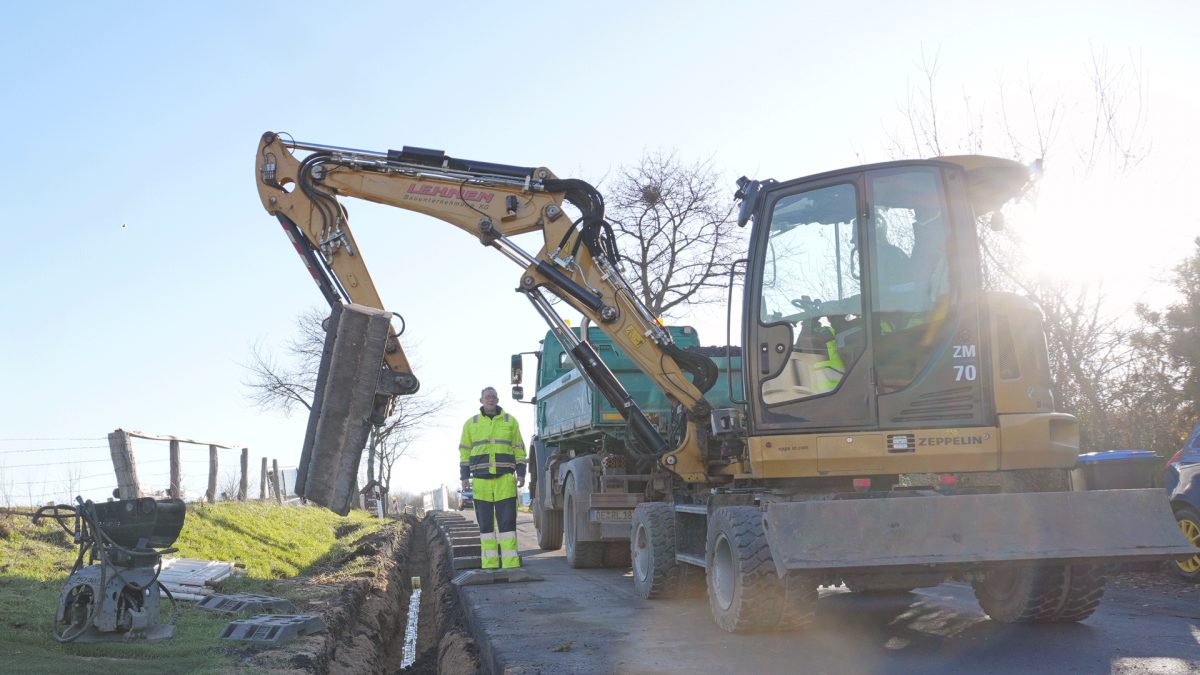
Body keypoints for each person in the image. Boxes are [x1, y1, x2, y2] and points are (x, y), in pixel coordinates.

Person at [459, 387, 526, 569]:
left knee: (507, 526)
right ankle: (489, 565)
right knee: (486, 527)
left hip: (505, 480)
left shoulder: (510, 421)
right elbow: (464, 452)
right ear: (481, 400)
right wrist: (464, 477)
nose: (490, 399)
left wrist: (521, 473)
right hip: (481, 482)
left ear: (497, 399)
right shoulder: (470, 424)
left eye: (493, 397)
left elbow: (519, 449)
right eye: (487, 397)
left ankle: (510, 565)